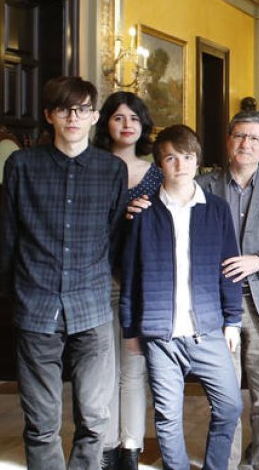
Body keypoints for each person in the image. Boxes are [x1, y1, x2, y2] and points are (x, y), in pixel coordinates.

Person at [0, 76, 127, 470]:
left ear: (93, 117)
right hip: (36, 303)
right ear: (49, 115)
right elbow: (9, 234)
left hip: (91, 304)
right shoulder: (21, 165)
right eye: (64, 109)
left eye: (83, 109)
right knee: (41, 420)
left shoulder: (111, 169)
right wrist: (15, 293)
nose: (74, 117)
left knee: (94, 416)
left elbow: (115, 236)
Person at [119, 125, 244, 470]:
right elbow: (130, 276)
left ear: (196, 159)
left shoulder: (216, 209)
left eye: (187, 156)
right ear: (160, 164)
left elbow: (229, 268)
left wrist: (232, 321)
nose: (180, 164)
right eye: (171, 158)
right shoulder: (143, 212)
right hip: (161, 333)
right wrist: (130, 329)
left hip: (207, 329)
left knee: (230, 405)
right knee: (168, 415)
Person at [196, 110, 259, 470]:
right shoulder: (201, 186)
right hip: (214, 307)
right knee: (224, 396)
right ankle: (226, 461)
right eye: (240, 136)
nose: (246, 144)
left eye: (255, 138)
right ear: (228, 140)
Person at [93, 91, 163, 470]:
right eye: (118, 118)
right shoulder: (92, 167)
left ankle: (131, 447)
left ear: (143, 125)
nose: (126, 125)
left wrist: (146, 216)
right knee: (103, 369)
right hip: (99, 280)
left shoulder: (157, 173)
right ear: (106, 123)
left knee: (134, 370)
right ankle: (105, 446)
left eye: (133, 118)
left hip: (139, 283)